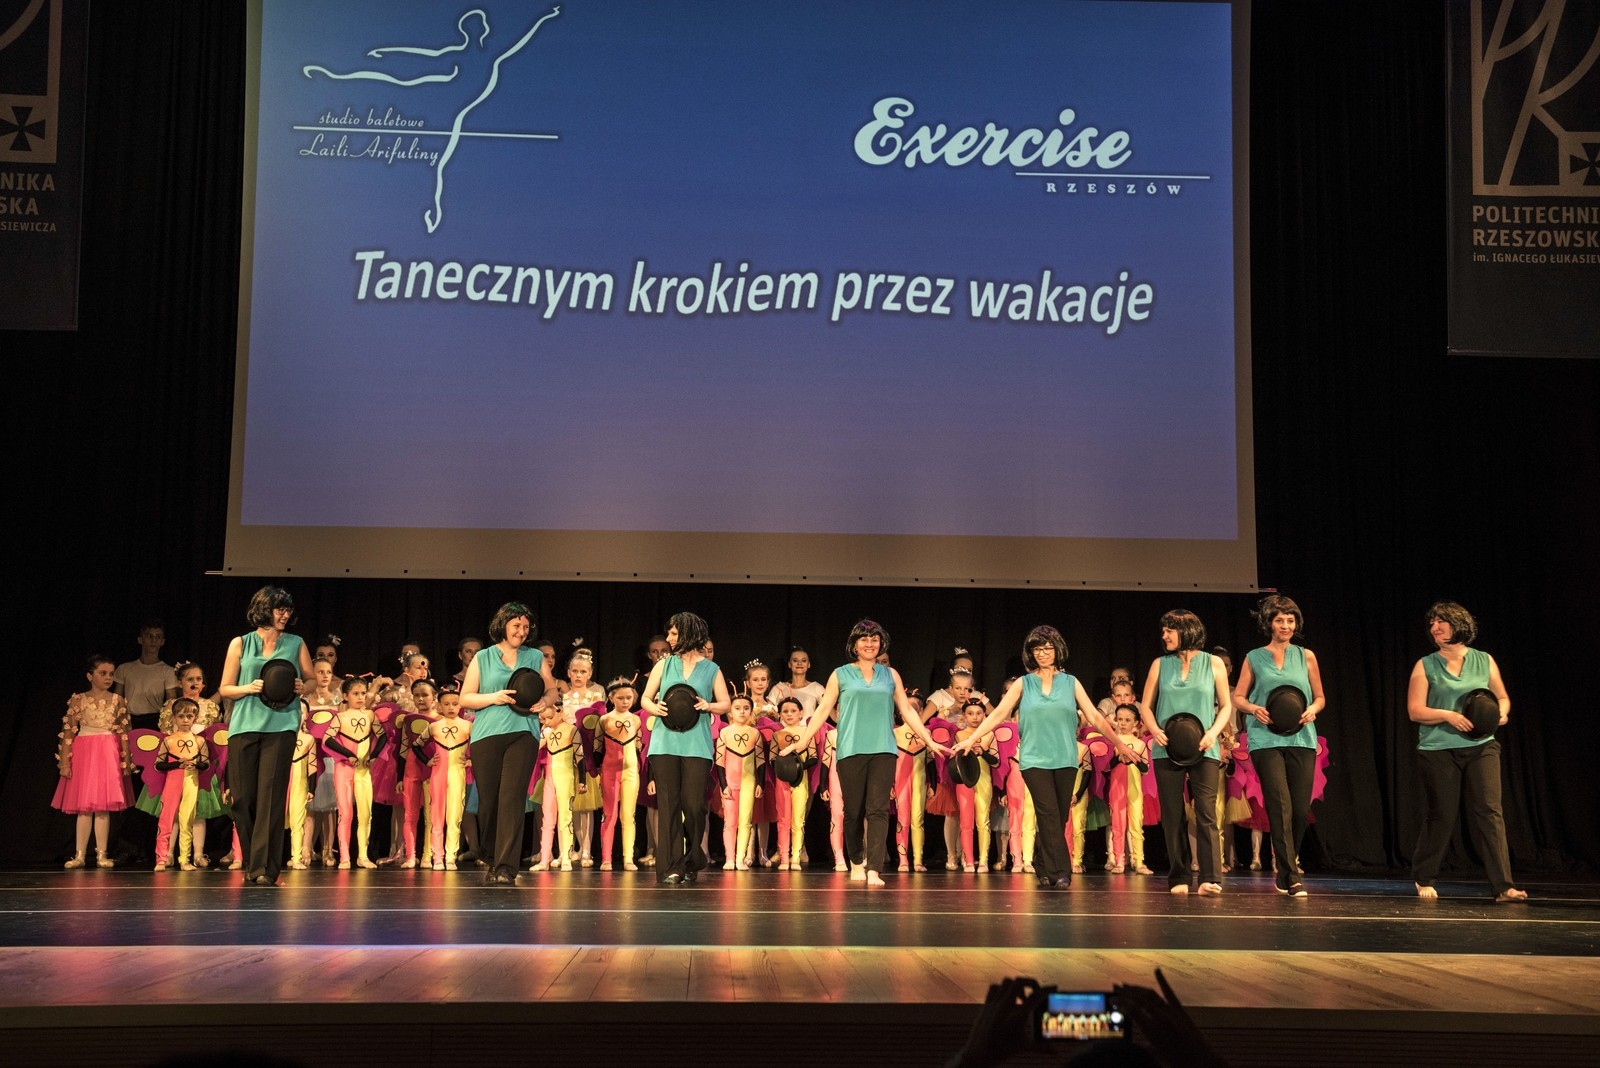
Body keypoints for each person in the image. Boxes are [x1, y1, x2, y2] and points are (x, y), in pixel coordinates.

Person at [959, 626, 1134, 889]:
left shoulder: (1071, 682)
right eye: (1037, 649)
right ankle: (1061, 871)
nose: (1042, 653)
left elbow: (1095, 717)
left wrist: (1118, 743)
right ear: (1030, 653)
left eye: (1047, 648)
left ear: (1057, 649)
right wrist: (971, 738)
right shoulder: (1024, 683)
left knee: (1058, 817)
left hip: (1065, 759)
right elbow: (998, 714)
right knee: (1049, 812)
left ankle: (1042, 864)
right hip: (1034, 759)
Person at [783, 619, 948, 887]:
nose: (870, 644)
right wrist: (802, 741)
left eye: (874, 639)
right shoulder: (840, 674)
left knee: (878, 809)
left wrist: (928, 739)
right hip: (850, 749)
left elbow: (906, 710)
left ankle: (873, 868)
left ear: (881, 643)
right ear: (855, 644)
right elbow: (823, 710)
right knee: (853, 811)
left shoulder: (890, 675)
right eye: (864, 639)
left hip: (883, 748)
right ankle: (856, 861)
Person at [1407, 601, 1526, 902]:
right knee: (1442, 814)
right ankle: (1424, 876)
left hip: (1481, 745)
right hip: (1438, 748)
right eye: (1432, 623)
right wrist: (1448, 715)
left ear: (1459, 624)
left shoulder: (1484, 660)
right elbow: (1415, 710)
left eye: (1442, 621)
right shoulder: (1425, 665)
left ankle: (1503, 887)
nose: (1435, 627)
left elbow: (1502, 697)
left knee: (1490, 812)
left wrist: (1501, 713)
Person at [217, 585, 315, 886]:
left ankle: (265, 870)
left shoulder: (296, 643)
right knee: (243, 798)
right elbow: (225, 688)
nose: (285, 615)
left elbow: (311, 679)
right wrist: (247, 688)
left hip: (281, 725)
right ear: (264, 609)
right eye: (279, 609)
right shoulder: (240, 643)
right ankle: (253, 861)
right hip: (244, 725)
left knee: (271, 799)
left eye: (288, 610)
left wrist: (303, 687)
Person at [1230, 594, 1325, 896]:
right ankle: (1290, 874)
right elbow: (1238, 697)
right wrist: (1252, 708)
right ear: (1269, 624)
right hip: (1265, 738)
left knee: (1299, 810)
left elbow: (1320, 697)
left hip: (1301, 737)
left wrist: (1314, 709)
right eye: (1280, 620)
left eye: (1290, 620)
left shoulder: (1306, 656)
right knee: (1279, 804)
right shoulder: (1254, 657)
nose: (1285, 625)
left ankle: (1286, 868)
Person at [459, 600, 558, 886]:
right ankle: (491, 855)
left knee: (512, 799)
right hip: (487, 735)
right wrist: (494, 697)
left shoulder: (535, 656)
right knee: (490, 801)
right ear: (503, 625)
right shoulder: (483, 657)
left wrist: (545, 701)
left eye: (526, 627)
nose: (522, 631)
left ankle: (505, 866)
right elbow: (466, 698)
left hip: (523, 732)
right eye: (517, 625)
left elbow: (552, 689)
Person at [1140, 610, 1232, 896]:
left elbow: (1226, 706)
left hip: (1204, 746)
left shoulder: (1213, 663)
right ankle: (1178, 876)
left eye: (1169, 630)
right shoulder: (1160, 664)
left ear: (1187, 631)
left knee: (1206, 811)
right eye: (1164, 630)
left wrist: (1213, 733)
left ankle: (1209, 877)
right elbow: (1145, 706)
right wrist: (1154, 730)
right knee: (1172, 814)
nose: (1164, 635)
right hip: (1167, 747)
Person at [639, 612, 731, 885]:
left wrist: (709, 705)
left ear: (688, 634)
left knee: (694, 805)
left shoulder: (711, 669)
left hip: (696, 745)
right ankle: (671, 867)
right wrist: (653, 707)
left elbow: (725, 703)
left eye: (674, 633)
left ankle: (693, 857)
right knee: (669, 805)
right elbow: (645, 697)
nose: (668, 638)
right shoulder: (664, 665)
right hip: (664, 742)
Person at [53, 655, 135, 868]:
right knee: (84, 806)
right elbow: (68, 731)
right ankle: (80, 855)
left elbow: (125, 733)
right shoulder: (78, 699)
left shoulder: (118, 700)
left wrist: (126, 761)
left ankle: (101, 855)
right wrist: (65, 762)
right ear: (90, 676)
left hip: (108, 752)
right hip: (84, 752)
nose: (108, 678)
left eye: (111, 674)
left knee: (102, 806)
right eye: (103, 673)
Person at [596, 676, 642, 871]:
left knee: (628, 816)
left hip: (630, 772)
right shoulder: (605, 720)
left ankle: (628, 858)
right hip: (609, 771)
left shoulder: (636, 720)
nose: (625, 702)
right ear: (611, 698)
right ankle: (606, 858)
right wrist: (596, 771)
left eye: (629, 698)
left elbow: (639, 747)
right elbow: (597, 748)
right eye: (621, 698)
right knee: (609, 814)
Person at [423, 685, 471, 870]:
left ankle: (450, 857)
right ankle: (437, 857)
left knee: (454, 816)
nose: (451, 707)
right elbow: (417, 745)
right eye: (446, 704)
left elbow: (480, 746)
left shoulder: (467, 726)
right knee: (436, 817)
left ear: (460, 705)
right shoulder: (434, 726)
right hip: (437, 775)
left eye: (455, 704)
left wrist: (471, 760)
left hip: (457, 774)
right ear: (439, 706)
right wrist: (427, 760)